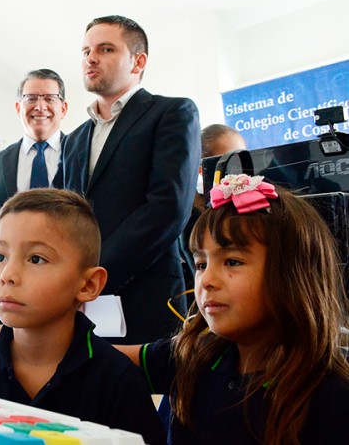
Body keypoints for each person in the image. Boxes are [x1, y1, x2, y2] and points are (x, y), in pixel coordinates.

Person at [115, 174, 349, 444]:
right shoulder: (194, 357)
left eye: (233, 262)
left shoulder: (330, 397)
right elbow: (98, 358)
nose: (207, 281)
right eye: (201, 264)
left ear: (294, 275)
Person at [0, 188, 165, 445]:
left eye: (36, 259)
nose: (7, 275)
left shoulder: (117, 380)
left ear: (88, 285)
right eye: (0, 256)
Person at [55, 15, 201, 344]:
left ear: (138, 61)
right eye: (86, 51)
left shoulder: (172, 113)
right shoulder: (74, 139)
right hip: (79, 302)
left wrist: (97, 275)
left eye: (106, 49)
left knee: (145, 393)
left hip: (146, 293)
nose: (90, 58)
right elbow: (67, 217)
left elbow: (168, 208)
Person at [0, 68, 68, 323]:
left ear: (63, 107)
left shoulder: (81, 154)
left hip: (64, 293)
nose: (40, 106)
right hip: (8, 294)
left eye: (49, 98)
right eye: (31, 98)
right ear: (18, 107)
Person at [180, 124, 247, 289]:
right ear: (202, 168)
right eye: (228, 160)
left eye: (243, 157)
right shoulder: (192, 217)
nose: (238, 169)